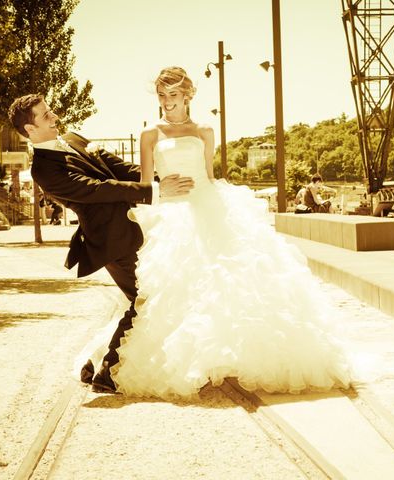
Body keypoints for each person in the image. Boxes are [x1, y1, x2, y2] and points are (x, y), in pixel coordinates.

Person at [90, 67, 351, 398]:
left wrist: (228, 210)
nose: (167, 102)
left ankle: (225, 358)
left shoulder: (204, 131)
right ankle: (176, 363)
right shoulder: (150, 134)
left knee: (229, 282)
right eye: (162, 95)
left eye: (173, 95)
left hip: (208, 206)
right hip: (171, 212)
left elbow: (209, 175)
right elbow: (144, 184)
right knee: (171, 290)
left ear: (187, 96)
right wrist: (161, 188)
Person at [8, 94, 194, 393]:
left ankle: (93, 361)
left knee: (144, 298)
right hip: (111, 241)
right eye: (45, 116)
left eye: (51, 111)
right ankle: (109, 371)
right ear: (30, 130)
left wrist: (163, 179)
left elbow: (118, 168)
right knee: (144, 300)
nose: (54, 117)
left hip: (136, 229)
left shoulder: (72, 138)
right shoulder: (43, 170)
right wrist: (156, 192)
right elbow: (96, 189)